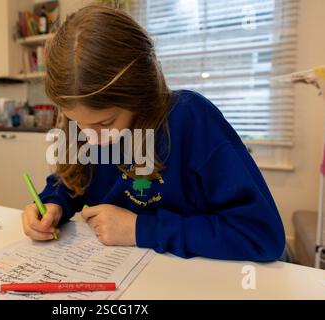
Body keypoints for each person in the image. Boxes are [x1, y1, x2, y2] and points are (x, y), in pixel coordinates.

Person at [21, 5, 285, 262]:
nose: (90, 138)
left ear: (140, 92)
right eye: (76, 122)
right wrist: (52, 205)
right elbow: (70, 184)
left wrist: (140, 229)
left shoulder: (190, 120)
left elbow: (262, 236)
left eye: (106, 123)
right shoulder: (87, 124)